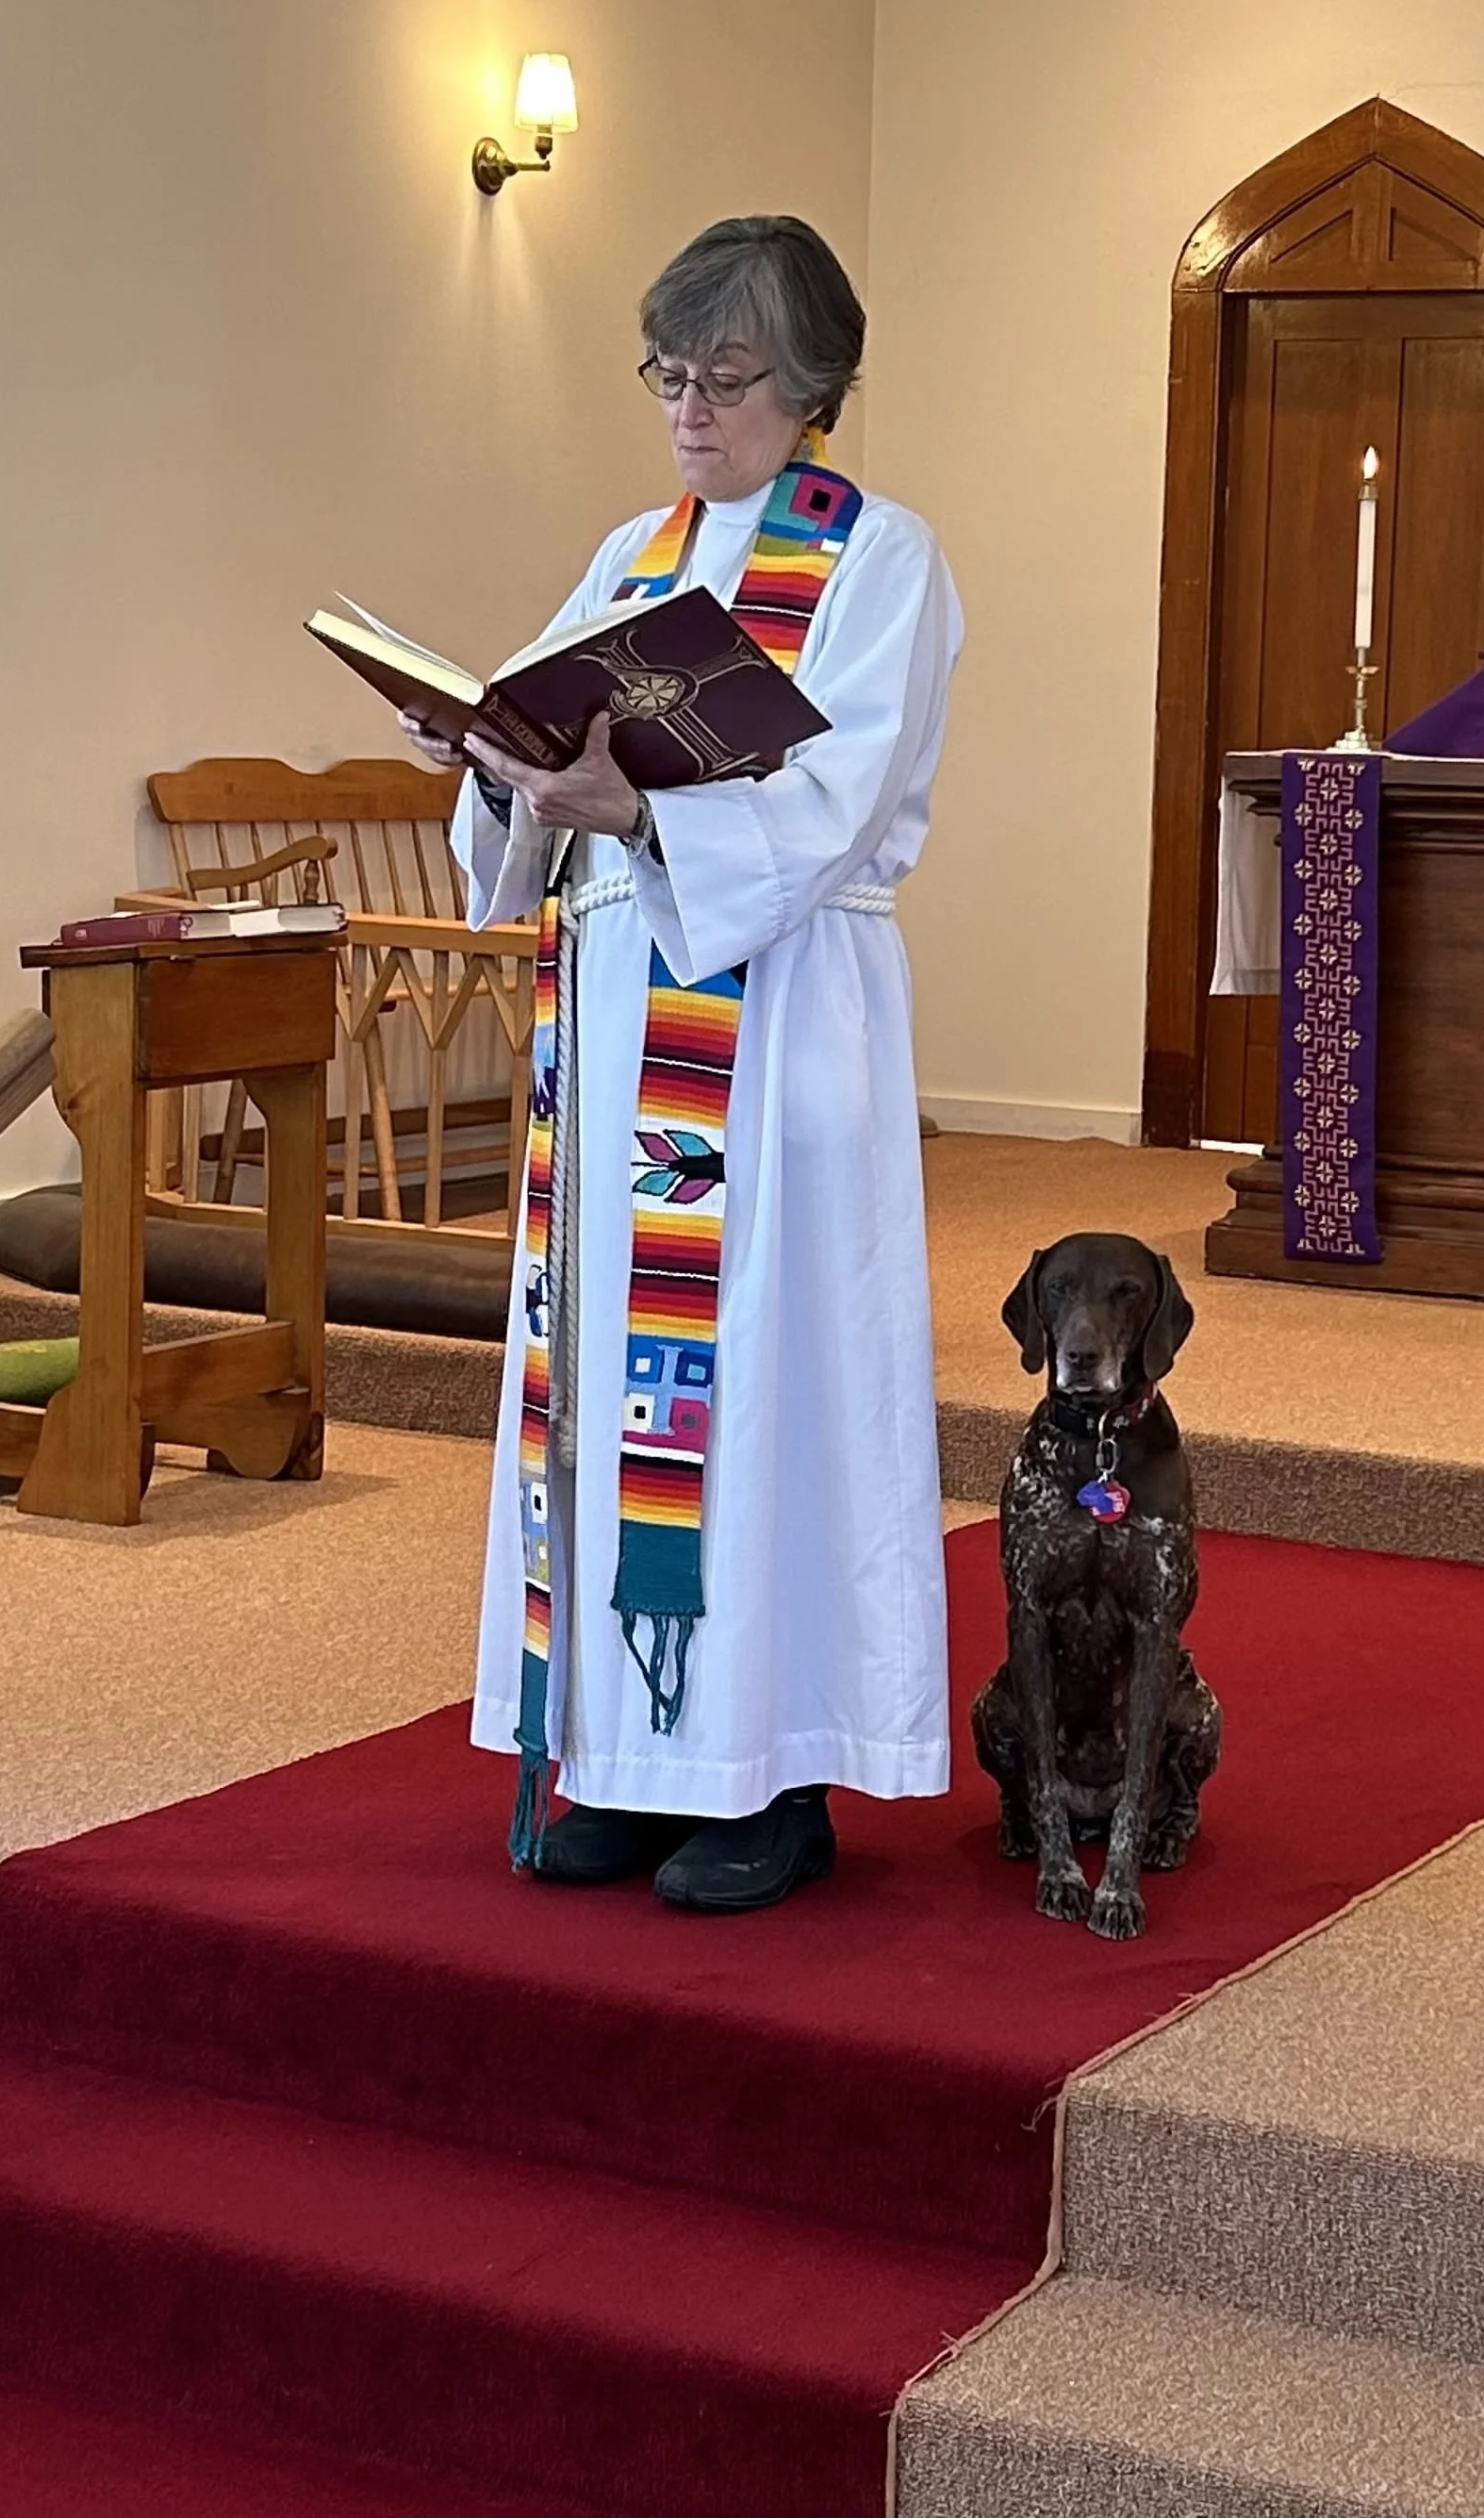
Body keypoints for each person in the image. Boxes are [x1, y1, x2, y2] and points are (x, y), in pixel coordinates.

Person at [402, 215, 962, 1913]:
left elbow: (836, 800)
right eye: (670, 372)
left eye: (728, 378)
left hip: (779, 1019)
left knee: (765, 1382)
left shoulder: (880, 561)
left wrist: (644, 807)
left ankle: (771, 1776)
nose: (691, 407)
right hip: (622, 1002)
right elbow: (542, 746)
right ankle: (629, 1763)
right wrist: (492, 760)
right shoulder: (634, 553)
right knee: (611, 1387)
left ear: (817, 391)